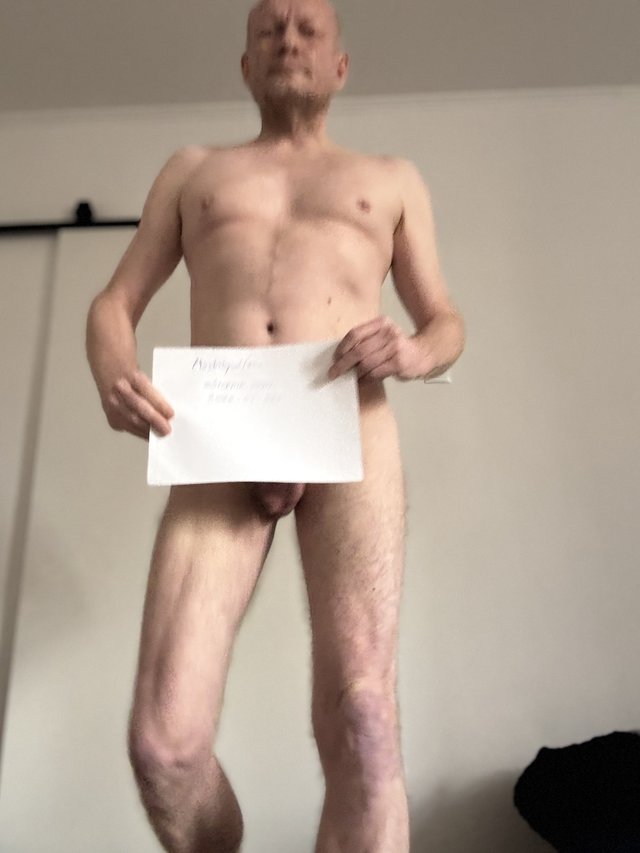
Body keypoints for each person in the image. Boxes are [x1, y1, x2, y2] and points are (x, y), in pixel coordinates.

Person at [85, 0, 465, 850]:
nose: (287, 38)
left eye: (308, 29)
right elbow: (113, 302)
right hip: (222, 427)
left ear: (340, 66)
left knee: (366, 715)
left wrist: (411, 350)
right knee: (162, 744)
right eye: (269, 30)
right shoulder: (193, 171)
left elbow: (446, 322)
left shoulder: (390, 178)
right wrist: (113, 374)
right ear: (245, 66)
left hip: (346, 414)